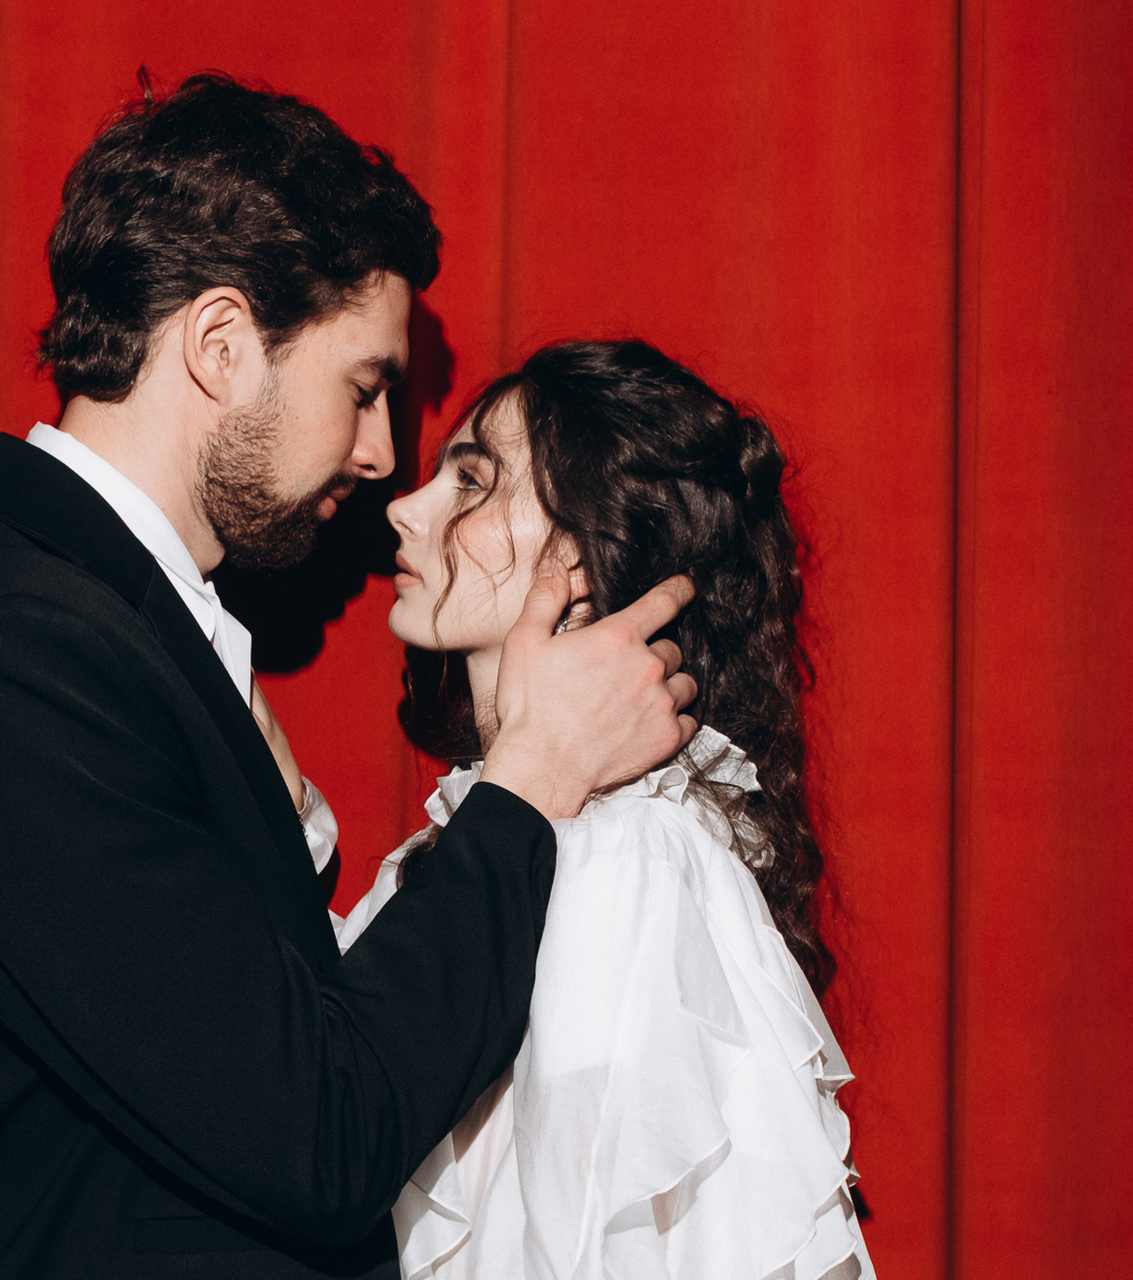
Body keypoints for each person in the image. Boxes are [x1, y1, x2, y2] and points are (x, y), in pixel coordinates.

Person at [0, 76, 698, 1278]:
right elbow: (319, 1133)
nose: (381, 455)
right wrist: (533, 773)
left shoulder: (103, 631)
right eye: (364, 388)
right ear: (220, 346)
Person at [330, 340, 872, 1279]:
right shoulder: (497, 835)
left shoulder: (618, 859)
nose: (405, 509)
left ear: (578, 560)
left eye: (471, 482)